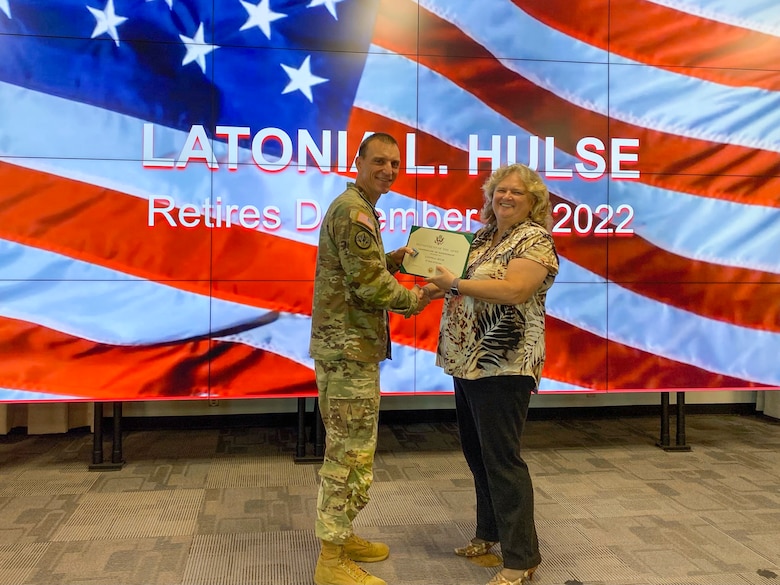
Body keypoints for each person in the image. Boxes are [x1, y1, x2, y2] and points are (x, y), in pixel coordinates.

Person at [424, 163, 559, 585]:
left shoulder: (534, 240)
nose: (506, 197)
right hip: (466, 361)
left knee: (502, 459)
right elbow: (444, 279)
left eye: (517, 192)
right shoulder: (481, 238)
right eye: (500, 190)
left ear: (533, 201)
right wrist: (412, 290)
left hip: (505, 363)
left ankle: (522, 558)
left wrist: (456, 284)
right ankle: (489, 533)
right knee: (477, 453)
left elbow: (516, 289)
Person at [309, 132, 428, 585]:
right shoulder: (354, 212)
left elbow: (366, 270)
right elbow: (370, 286)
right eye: (379, 160)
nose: (388, 170)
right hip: (347, 350)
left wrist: (399, 258)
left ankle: (342, 535)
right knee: (348, 452)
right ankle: (332, 560)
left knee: (355, 449)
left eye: (395, 163)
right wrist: (420, 298)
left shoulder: (360, 209)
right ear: (357, 161)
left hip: (349, 348)